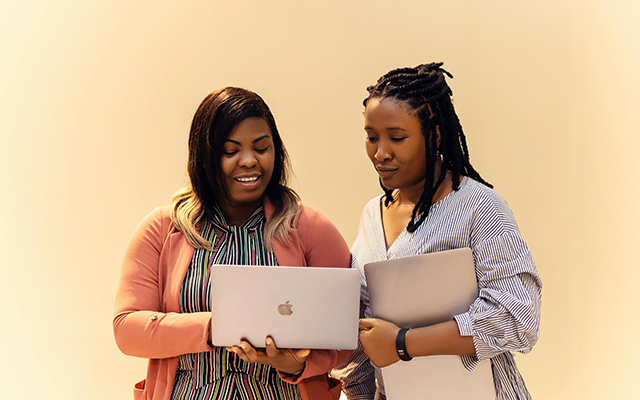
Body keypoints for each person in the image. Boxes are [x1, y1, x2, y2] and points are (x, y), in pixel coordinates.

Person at [113, 87, 352, 400]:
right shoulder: (162, 228)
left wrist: (295, 365)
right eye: (231, 151)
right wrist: (215, 328)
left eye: (261, 148)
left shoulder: (311, 229)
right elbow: (128, 329)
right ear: (205, 157)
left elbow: (345, 335)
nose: (249, 161)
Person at [332, 63, 542, 400]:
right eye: (371, 137)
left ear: (435, 135)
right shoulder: (372, 214)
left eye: (397, 137)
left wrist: (403, 343)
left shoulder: (479, 207)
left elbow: (517, 318)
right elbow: (365, 327)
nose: (381, 153)